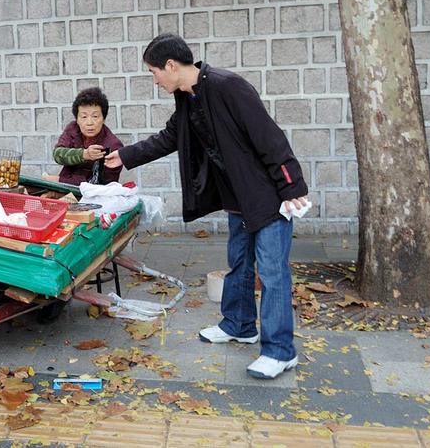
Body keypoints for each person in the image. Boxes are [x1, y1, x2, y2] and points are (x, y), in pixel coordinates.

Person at [105, 33, 309, 380]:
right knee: (239, 264)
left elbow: (269, 136)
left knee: (273, 274)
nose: (154, 80)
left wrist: (292, 186)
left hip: (267, 198)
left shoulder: (229, 86)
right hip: (237, 198)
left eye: (154, 72)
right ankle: (240, 325)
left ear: (171, 65)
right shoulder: (188, 98)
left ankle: (280, 352)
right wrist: (125, 156)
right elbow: (170, 137)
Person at [53, 87, 124, 185]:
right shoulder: (72, 128)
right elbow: (58, 154)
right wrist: (84, 154)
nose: (89, 123)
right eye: (84, 117)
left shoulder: (113, 145)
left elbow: (101, 185)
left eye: (95, 116)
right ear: (77, 119)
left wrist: (59, 181)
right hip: (63, 189)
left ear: (104, 119)